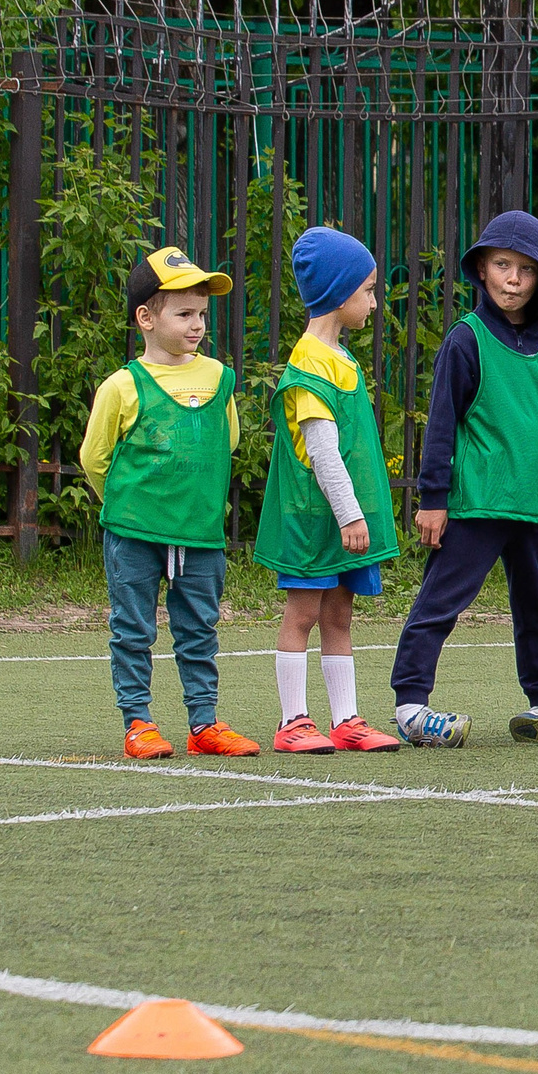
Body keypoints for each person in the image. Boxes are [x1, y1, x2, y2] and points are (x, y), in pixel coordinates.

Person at [388, 211, 538, 748]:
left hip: (537, 509)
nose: (512, 279)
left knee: (537, 610)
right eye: (502, 265)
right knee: (440, 602)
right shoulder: (466, 339)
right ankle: (411, 704)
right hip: (476, 505)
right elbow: (440, 426)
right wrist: (433, 499)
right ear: (481, 269)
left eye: (527, 270)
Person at [82, 247, 251, 759]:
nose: (197, 324)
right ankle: (139, 723)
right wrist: (134, 509)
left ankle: (204, 723)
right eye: (184, 314)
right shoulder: (121, 386)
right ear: (146, 319)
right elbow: (95, 458)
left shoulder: (220, 379)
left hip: (200, 535)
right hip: (134, 534)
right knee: (133, 628)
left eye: (202, 314)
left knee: (198, 629)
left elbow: (230, 441)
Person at [252, 226, 404, 753]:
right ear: (340, 294)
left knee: (339, 615)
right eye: (367, 290)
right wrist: (349, 515)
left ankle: (347, 721)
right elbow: (321, 453)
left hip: (338, 519)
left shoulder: (338, 356)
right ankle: (293, 721)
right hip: (314, 518)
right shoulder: (310, 363)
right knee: (304, 614)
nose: (375, 302)